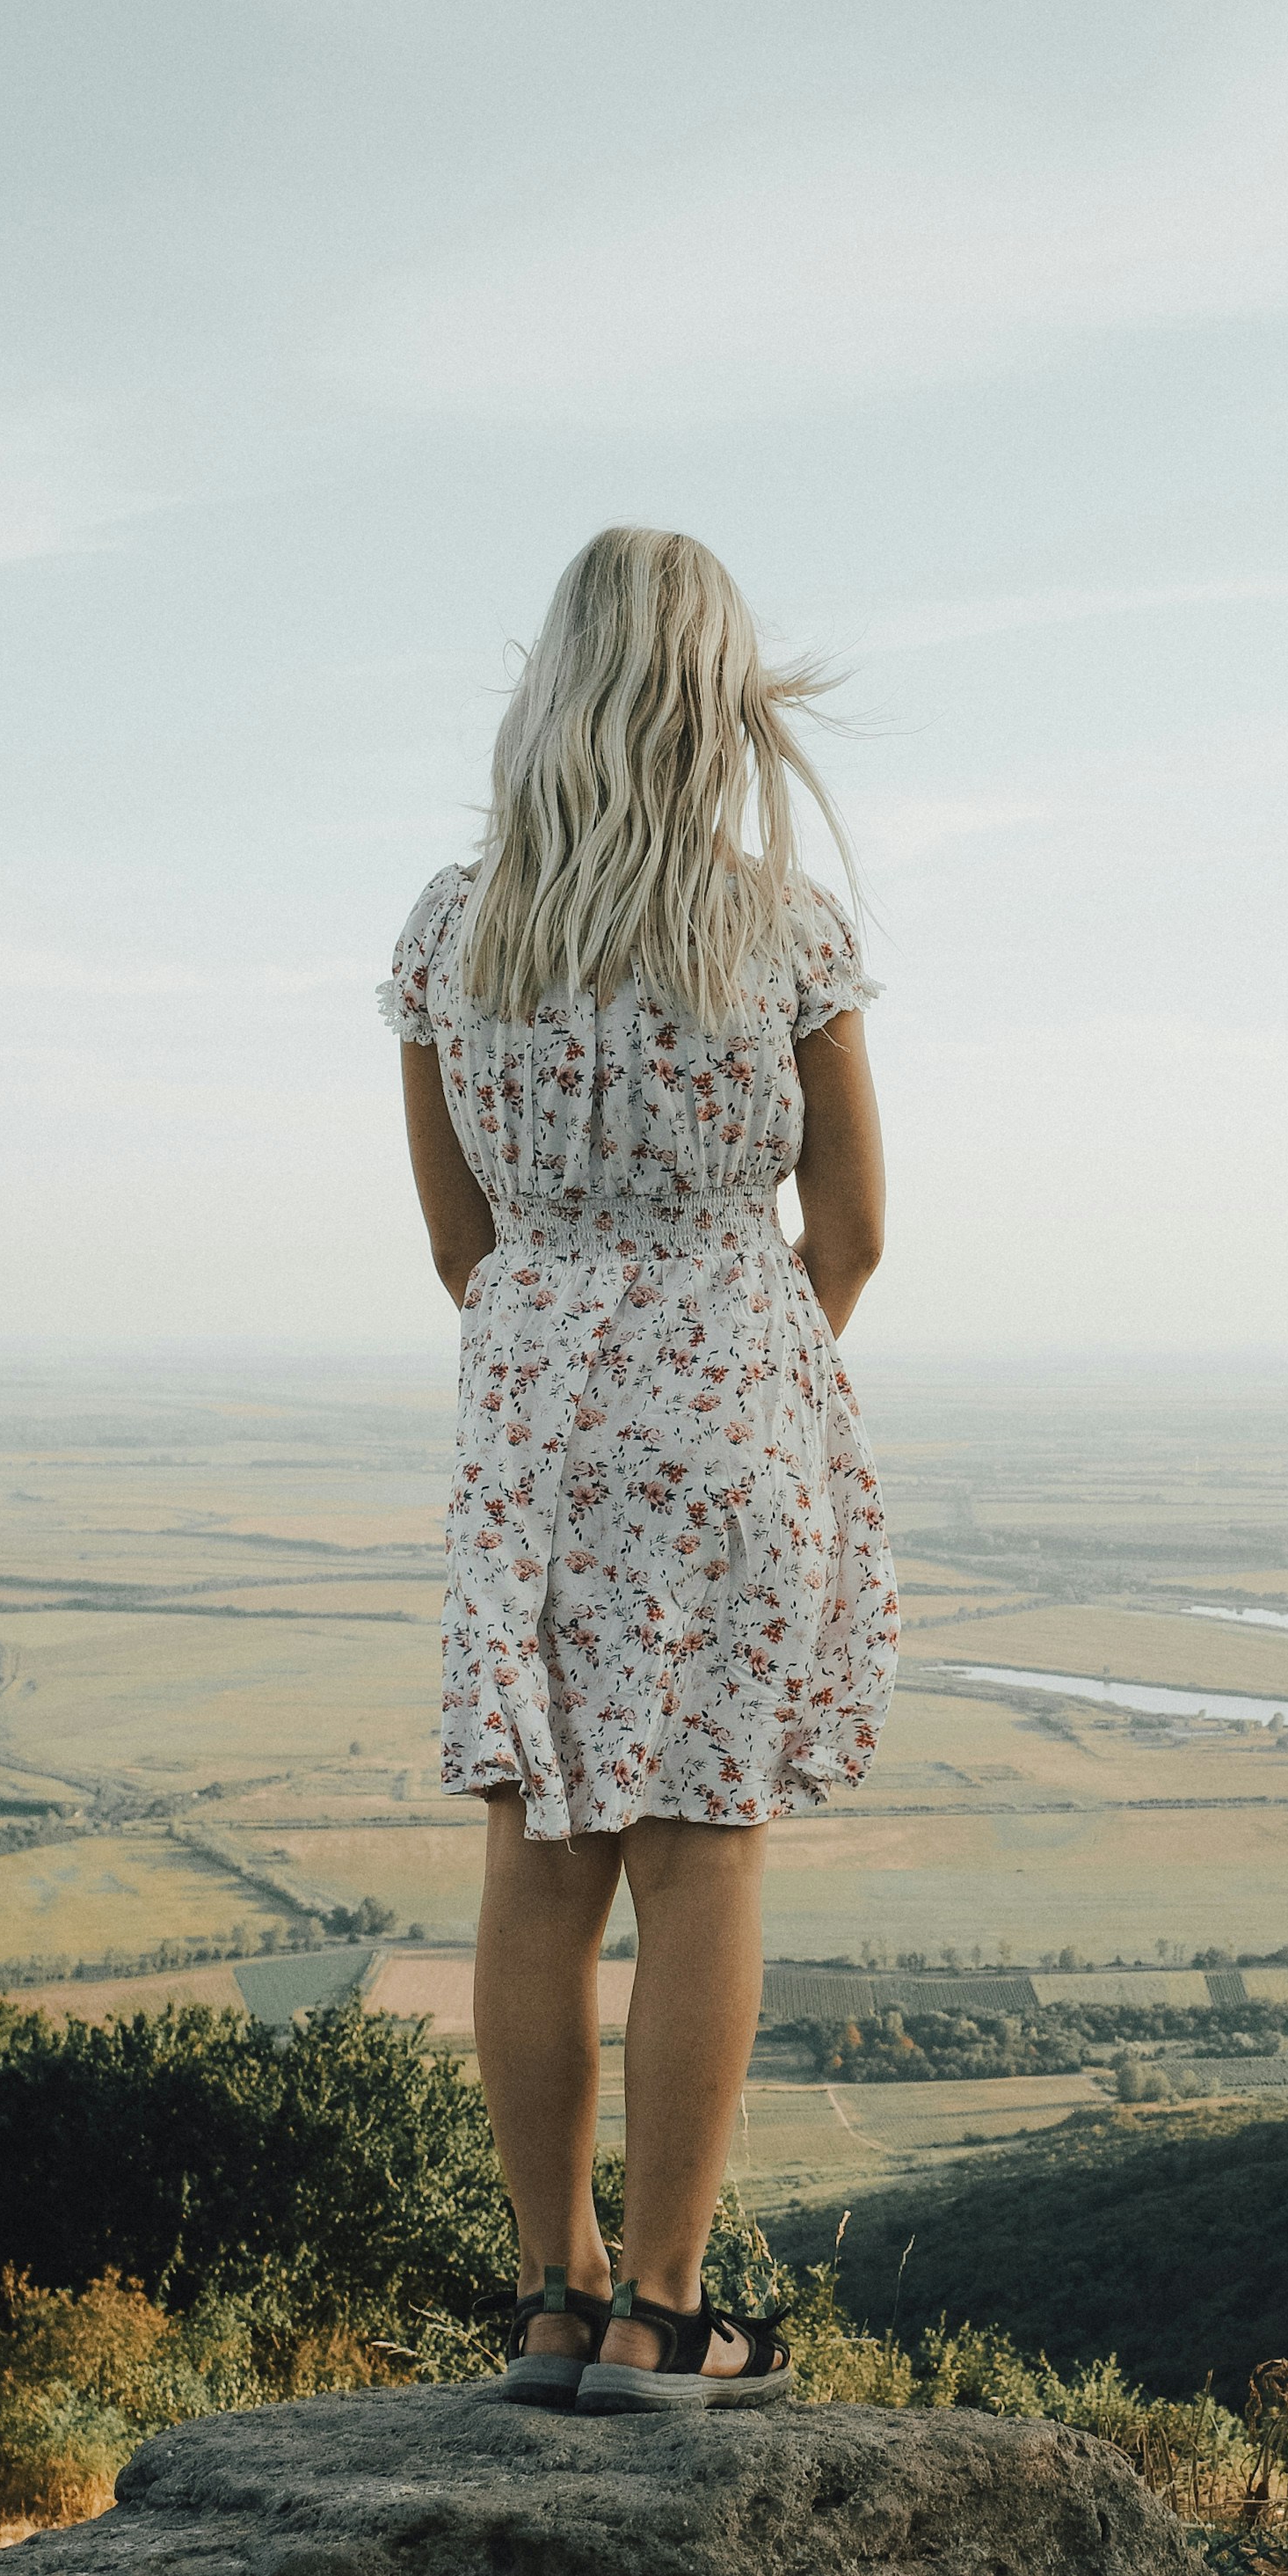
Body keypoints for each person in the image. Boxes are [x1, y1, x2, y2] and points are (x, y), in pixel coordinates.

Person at [385, 527, 897, 2412]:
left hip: (528, 1393)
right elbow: (846, 1224)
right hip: (727, 1386)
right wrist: (733, 1370)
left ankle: (548, 2295)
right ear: (720, 697)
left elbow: (460, 1237)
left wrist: (566, 1355)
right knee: (703, 1844)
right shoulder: (778, 925)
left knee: (536, 1850)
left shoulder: (457, 927)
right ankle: (666, 2311)